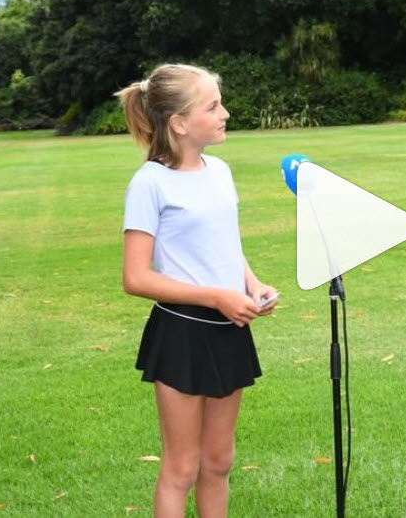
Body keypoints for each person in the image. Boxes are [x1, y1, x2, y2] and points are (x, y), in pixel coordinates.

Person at [117, 63, 279, 518]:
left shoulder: (220, 171)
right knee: (181, 468)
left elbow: (225, 244)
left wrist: (251, 284)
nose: (225, 112)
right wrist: (216, 297)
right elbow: (136, 278)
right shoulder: (149, 183)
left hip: (230, 326)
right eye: (213, 105)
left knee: (218, 462)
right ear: (180, 123)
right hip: (183, 334)